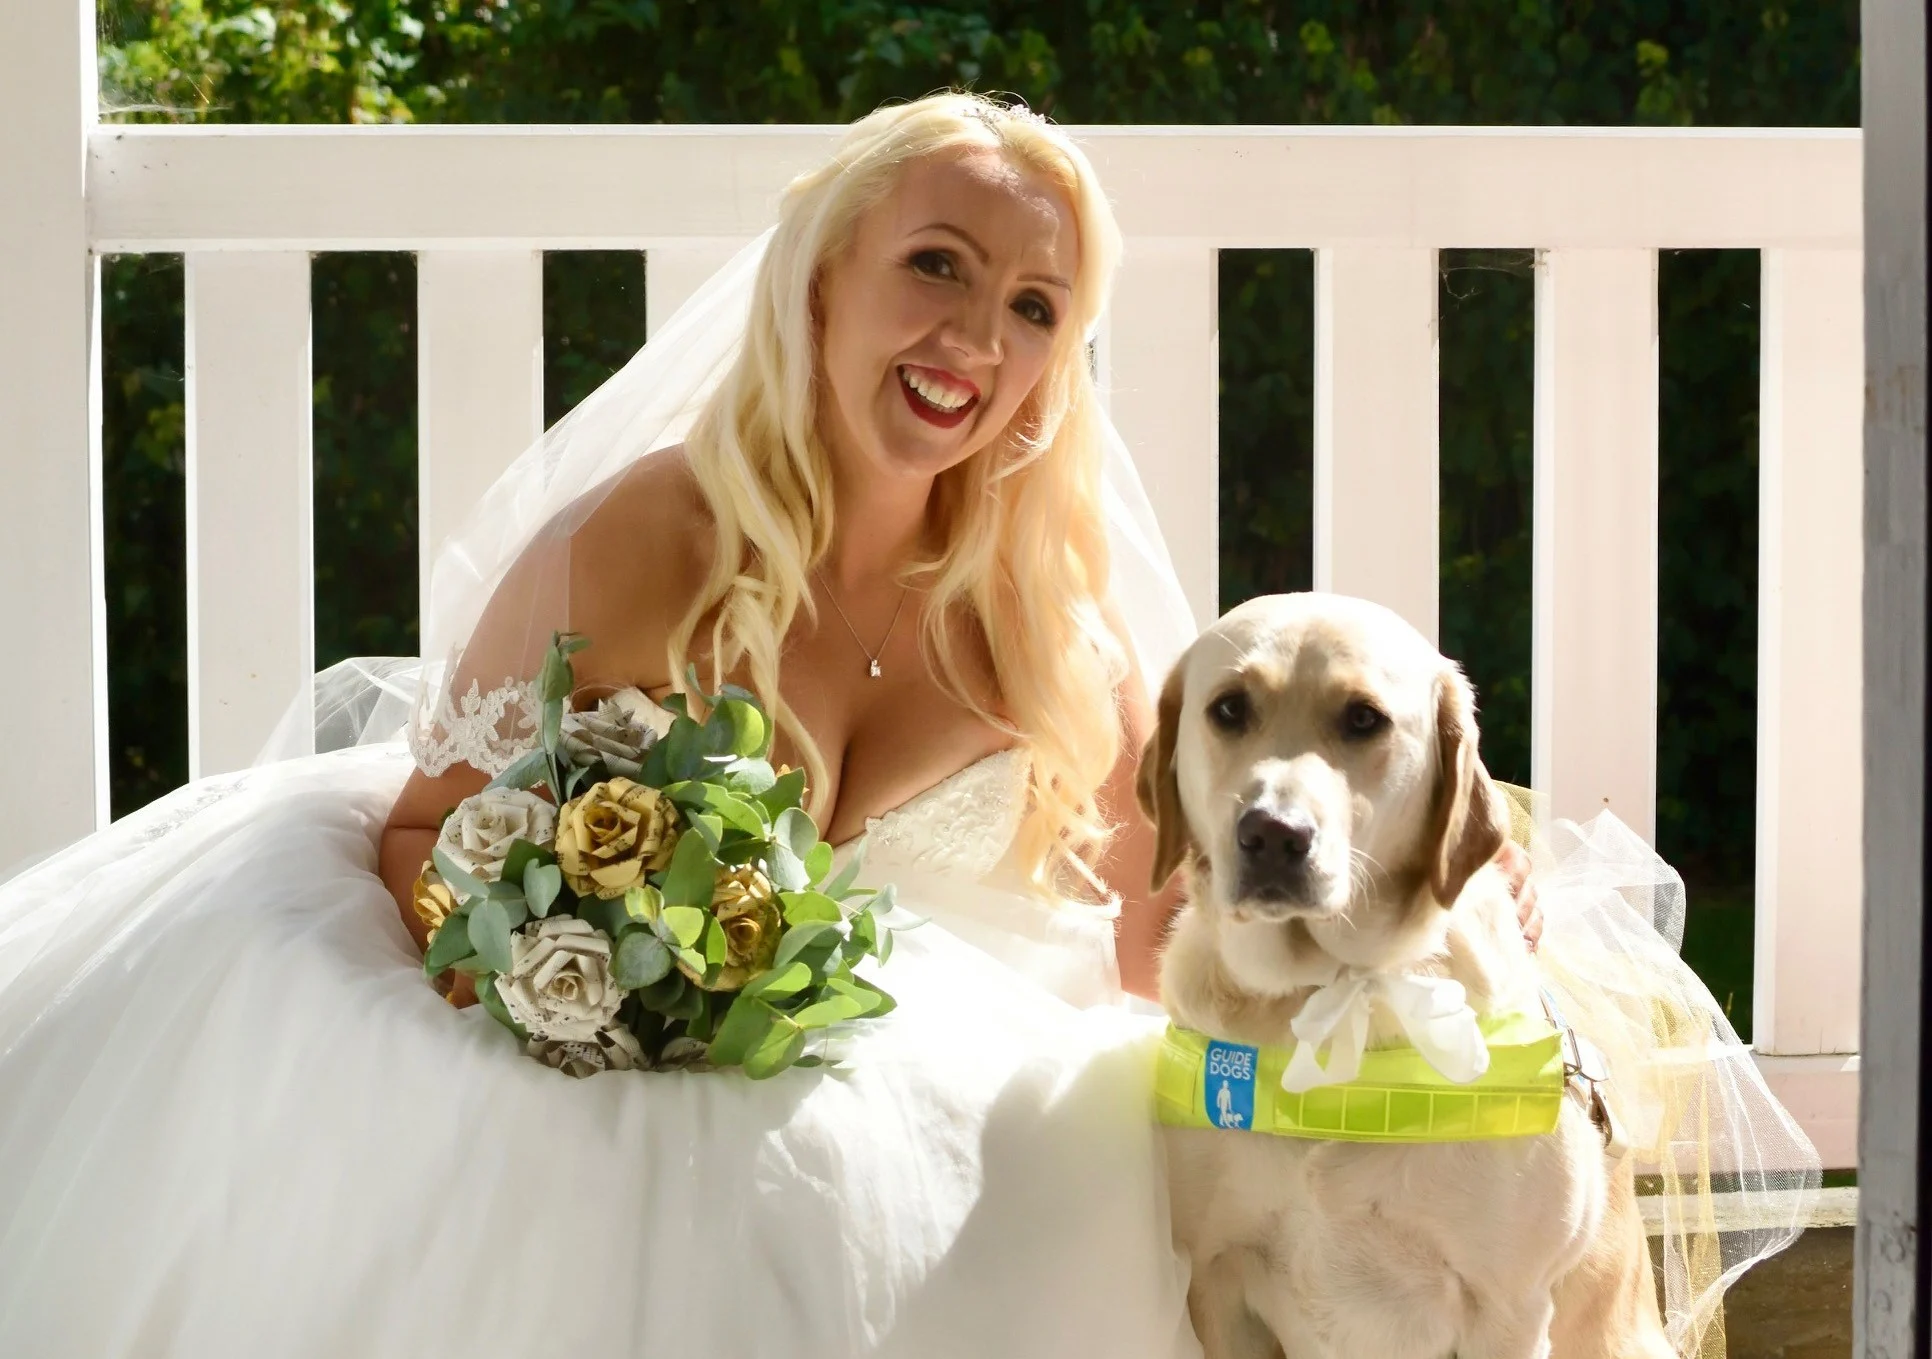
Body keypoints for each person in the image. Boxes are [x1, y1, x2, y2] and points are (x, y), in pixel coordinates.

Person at [0, 93, 1806, 1359]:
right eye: (938, 268)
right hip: (540, 1028)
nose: (980, 339)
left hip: (873, 1059)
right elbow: (423, 833)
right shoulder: (639, 545)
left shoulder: (1048, 620)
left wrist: (1460, 902)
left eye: (1035, 308)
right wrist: (586, 974)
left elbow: (1151, 917)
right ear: (823, 278)